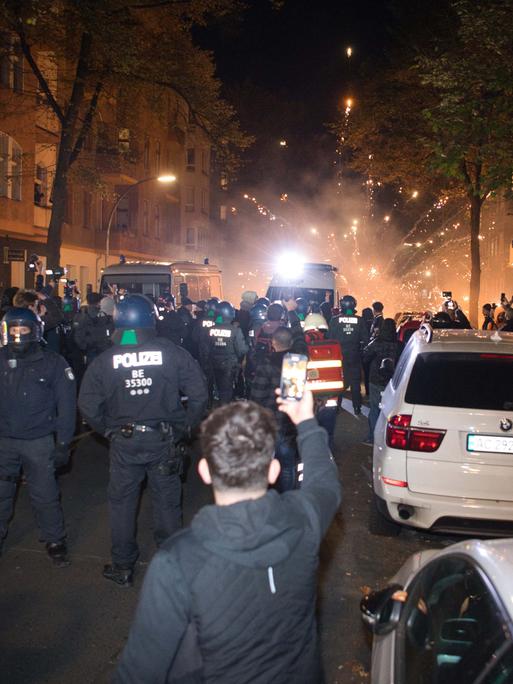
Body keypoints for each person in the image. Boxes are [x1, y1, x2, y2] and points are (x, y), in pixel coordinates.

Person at [114, 390, 342, 683]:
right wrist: (307, 421)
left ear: (205, 471)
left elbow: (139, 673)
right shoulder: (303, 521)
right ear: (273, 471)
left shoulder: (177, 562)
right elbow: (325, 485)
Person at [78, 294, 207, 586]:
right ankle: (172, 567)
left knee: (123, 504)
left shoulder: (105, 359)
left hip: (124, 443)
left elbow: (87, 404)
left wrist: (107, 430)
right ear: (151, 318)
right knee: (167, 503)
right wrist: (186, 427)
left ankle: (123, 567)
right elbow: (199, 393)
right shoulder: (171, 352)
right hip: (165, 441)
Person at [0, 307, 76, 564]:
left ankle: (55, 539)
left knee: (45, 494)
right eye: (14, 331)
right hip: (4, 440)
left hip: (39, 441)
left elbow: (66, 406)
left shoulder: (53, 363)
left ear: (36, 331)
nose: (19, 336)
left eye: (24, 330)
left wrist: (64, 443)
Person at [251, 326, 298, 491]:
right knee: (288, 465)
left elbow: (257, 396)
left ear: (273, 343)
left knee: (265, 464)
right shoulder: (297, 362)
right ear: (291, 343)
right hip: (291, 421)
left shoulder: (266, 364)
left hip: (270, 422)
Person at [199, 300, 248, 405]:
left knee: (214, 386)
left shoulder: (210, 329)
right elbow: (242, 349)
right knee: (226, 391)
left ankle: (211, 407)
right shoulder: (235, 330)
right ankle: (224, 412)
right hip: (229, 365)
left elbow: (205, 348)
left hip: (213, 363)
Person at [328, 295, 369, 415]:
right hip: (354, 356)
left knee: (339, 381)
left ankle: (337, 407)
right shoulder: (360, 320)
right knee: (355, 383)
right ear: (353, 305)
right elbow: (365, 339)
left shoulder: (335, 320)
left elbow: (330, 337)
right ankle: (357, 408)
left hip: (338, 356)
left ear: (342, 305)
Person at [362, 318, 399, 446]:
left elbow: (365, 356)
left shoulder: (376, 343)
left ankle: (372, 437)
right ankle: (387, 438)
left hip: (376, 379)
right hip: (393, 382)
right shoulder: (399, 345)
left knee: (374, 409)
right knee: (391, 410)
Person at [73, 291, 113, 366]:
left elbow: (77, 335)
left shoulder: (80, 314)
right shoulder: (104, 316)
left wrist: (85, 346)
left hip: (89, 350)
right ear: (99, 303)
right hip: (102, 350)